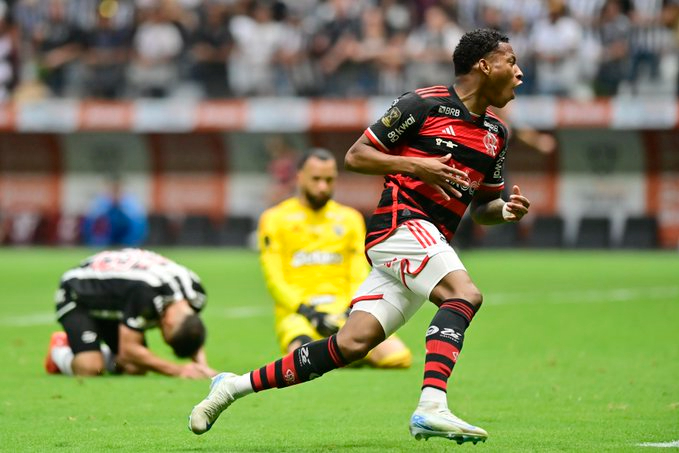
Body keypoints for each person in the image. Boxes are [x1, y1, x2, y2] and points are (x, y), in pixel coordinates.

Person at [188, 28, 530, 444]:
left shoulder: (497, 133)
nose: (519, 73)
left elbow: (483, 209)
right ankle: (431, 406)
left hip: (429, 239)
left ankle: (231, 386)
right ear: (485, 65)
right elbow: (356, 156)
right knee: (465, 294)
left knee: (352, 343)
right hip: (399, 226)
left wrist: (505, 211)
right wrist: (418, 167)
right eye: (511, 62)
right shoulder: (421, 104)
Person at [258, 147, 412, 367]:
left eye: (329, 180)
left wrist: (352, 309)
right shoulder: (274, 219)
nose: (323, 186)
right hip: (299, 315)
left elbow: (358, 271)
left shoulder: (349, 219)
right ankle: (345, 353)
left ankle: (341, 352)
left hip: (344, 312)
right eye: (316, 179)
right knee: (301, 362)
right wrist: (307, 311)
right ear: (299, 177)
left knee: (398, 358)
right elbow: (275, 279)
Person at [44, 248, 216, 378]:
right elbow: (129, 350)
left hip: (115, 301)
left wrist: (203, 366)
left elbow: (192, 327)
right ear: (168, 323)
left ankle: (99, 351)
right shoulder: (146, 293)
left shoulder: (196, 294)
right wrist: (178, 370)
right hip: (77, 295)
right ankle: (59, 350)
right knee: (89, 367)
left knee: (136, 368)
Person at [81, 176, 148, 247]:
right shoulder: (102, 200)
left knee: (137, 222)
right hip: (107, 233)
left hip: (125, 232)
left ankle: (131, 243)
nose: (115, 190)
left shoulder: (130, 200)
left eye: (117, 188)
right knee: (93, 221)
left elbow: (137, 221)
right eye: (113, 188)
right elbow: (92, 218)